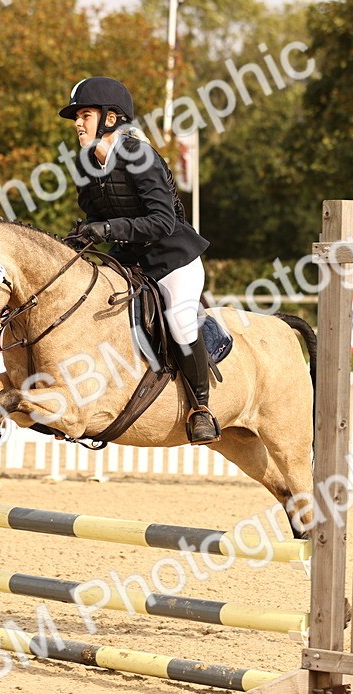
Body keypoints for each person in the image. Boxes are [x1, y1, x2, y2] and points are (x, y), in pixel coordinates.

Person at [59, 76, 220, 444]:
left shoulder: (140, 155)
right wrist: (85, 233)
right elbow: (95, 214)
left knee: (179, 321)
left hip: (172, 260)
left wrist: (107, 229)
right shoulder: (86, 163)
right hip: (129, 263)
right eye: (77, 118)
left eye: (85, 115)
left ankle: (201, 408)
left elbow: (162, 221)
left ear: (111, 118)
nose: (78, 124)